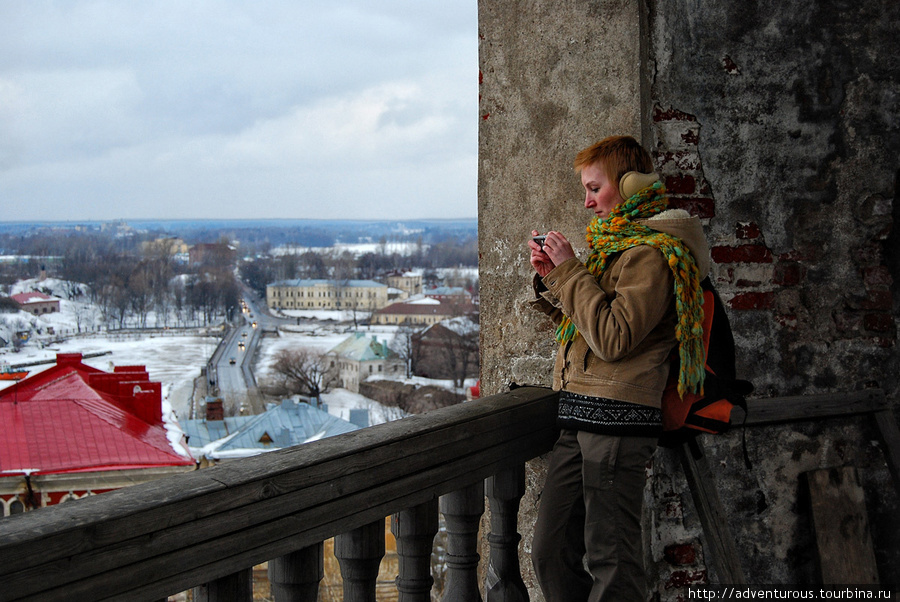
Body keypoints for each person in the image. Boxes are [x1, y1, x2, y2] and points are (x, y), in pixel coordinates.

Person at [528, 135, 710, 601]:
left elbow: (612, 339)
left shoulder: (651, 254)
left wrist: (570, 271)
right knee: (548, 550)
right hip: (579, 414)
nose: (587, 203)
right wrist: (555, 277)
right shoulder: (616, 247)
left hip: (618, 422)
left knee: (613, 560)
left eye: (594, 189)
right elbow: (590, 330)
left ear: (629, 187)